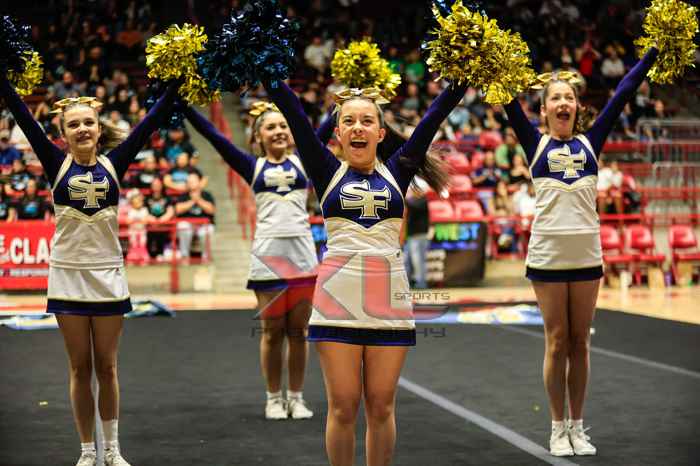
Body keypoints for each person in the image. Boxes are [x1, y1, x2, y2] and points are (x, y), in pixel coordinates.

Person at [264, 79, 465, 465]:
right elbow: (292, 111)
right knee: (343, 407)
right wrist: (266, 70)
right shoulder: (325, 170)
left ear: (381, 132)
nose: (358, 127)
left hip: (388, 302)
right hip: (336, 301)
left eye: (367, 121)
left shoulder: (399, 169)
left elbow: (434, 117)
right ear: (337, 133)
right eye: (349, 121)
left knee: (381, 407)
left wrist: (463, 78)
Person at [0, 74, 178, 466]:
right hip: (67, 275)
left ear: (99, 129)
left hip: (108, 274)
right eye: (74, 124)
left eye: (88, 123)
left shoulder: (116, 162)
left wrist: (177, 82)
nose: (82, 129)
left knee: (107, 366)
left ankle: (112, 449)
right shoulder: (55, 163)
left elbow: (151, 121)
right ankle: (86, 450)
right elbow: (22, 115)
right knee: (80, 368)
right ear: (63, 134)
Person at [503, 47, 659, 456]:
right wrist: (483, 59)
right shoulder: (535, 144)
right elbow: (505, 98)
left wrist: (652, 54)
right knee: (557, 341)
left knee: (581, 343)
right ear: (543, 110)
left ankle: (577, 426)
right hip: (548, 255)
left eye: (569, 97)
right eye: (555, 97)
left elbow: (623, 93)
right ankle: (557, 427)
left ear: (577, 107)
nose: (563, 103)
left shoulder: (592, 142)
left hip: (587, 254)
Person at [183, 101, 334, 420]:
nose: (278, 131)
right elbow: (214, 136)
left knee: (299, 332)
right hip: (268, 256)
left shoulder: (304, 159)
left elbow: (322, 130)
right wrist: (185, 107)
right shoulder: (251, 166)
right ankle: (273, 398)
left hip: (302, 255)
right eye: (270, 127)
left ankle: (296, 398)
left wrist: (344, 102)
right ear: (257, 136)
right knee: (272, 331)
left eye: (283, 126)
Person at [174, 172, 215, 262]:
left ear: (199, 182)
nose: (191, 184)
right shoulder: (183, 196)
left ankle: (206, 257)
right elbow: (177, 209)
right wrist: (192, 201)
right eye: (189, 182)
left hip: (204, 225)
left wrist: (199, 200)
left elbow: (211, 210)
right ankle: (184, 256)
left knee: (207, 230)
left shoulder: (207, 195)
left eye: (193, 181)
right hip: (188, 224)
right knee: (182, 226)